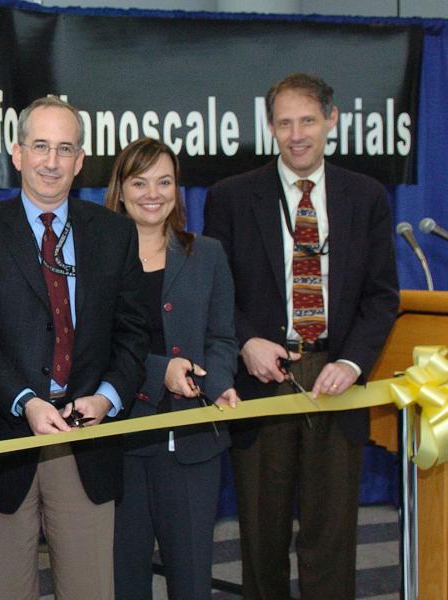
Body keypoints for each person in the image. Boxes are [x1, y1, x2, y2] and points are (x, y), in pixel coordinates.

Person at [203, 73, 399, 600]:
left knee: (330, 534)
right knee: (261, 535)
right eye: (284, 122)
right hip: (264, 377)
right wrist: (246, 341)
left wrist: (355, 363)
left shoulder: (367, 197)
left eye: (307, 120)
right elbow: (216, 292)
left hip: (338, 377)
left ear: (331, 120)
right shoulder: (231, 197)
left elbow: (382, 297)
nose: (296, 134)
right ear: (270, 127)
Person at [0, 96, 148, 600]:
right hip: (6, 439)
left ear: (81, 160)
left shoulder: (116, 234)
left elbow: (134, 333)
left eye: (65, 149)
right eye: (40, 146)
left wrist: (108, 396)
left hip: (87, 440)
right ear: (16, 153)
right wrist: (25, 400)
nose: (51, 162)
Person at [104, 137, 239, 600]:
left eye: (164, 181)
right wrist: (159, 370)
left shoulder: (208, 254)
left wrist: (218, 384)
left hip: (195, 444)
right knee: (126, 579)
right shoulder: (95, 258)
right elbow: (94, 348)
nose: (153, 193)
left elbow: (222, 336)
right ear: (120, 190)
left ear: (178, 190)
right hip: (121, 440)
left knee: (192, 578)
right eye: (139, 182)